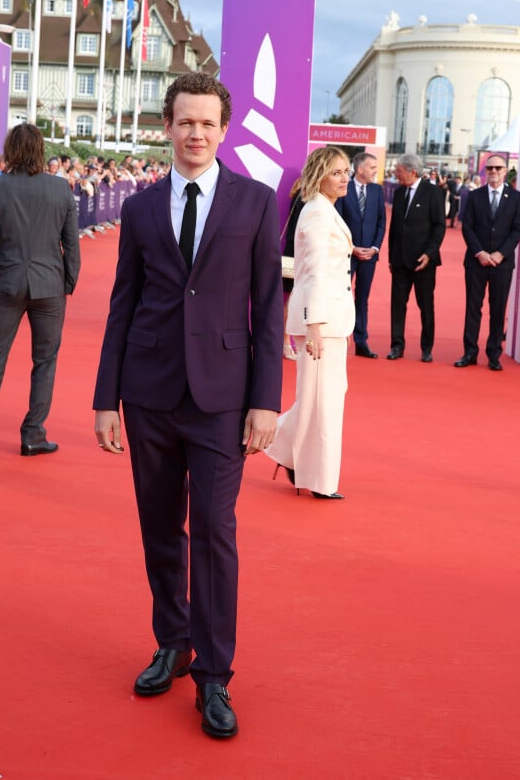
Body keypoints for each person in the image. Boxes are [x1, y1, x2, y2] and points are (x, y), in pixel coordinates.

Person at [92, 72, 283, 739]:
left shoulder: (257, 203)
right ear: (167, 127)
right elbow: (122, 305)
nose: (196, 133)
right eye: (185, 122)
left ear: (224, 129)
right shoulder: (142, 209)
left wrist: (265, 401)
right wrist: (105, 398)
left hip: (223, 399)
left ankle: (215, 676)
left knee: (214, 528)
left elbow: (268, 304)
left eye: (207, 122)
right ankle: (172, 640)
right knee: (157, 525)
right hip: (148, 392)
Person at [0, 123, 80, 456]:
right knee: (45, 361)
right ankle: (33, 435)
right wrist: (67, 282)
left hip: (6, 283)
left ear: (11, 150)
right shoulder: (60, 189)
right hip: (50, 287)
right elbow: (71, 245)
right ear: (41, 150)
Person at [264, 145, 355, 499]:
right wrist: (315, 324)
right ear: (320, 175)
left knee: (325, 398)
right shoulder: (317, 214)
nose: (344, 177)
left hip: (331, 320)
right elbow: (314, 272)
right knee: (323, 401)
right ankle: (316, 478)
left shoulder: (325, 210)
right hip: (321, 320)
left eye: (346, 171)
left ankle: (290, 453)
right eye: (337, 172)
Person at [454, 154, 520, 371]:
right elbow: (467, 226)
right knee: (473, 308)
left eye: (498, 168)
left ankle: (494, 354)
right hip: (476, 262)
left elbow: (517, 229)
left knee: (498, 308)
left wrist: (500, 254)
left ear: (505, 171)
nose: (493, 172)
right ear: (485, 172)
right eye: (490, 168)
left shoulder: (516, 197)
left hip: (502, 264)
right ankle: (470, 352)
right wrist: (480, 253)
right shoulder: (474, 196)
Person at [387, 153, 446, 363]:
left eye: (399, 170)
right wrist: (391, 257)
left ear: (412, 171)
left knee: (426, 306)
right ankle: (396, 346)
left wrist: (429, 254)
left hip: (424, 262)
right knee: (397, 305)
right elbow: (394, 227)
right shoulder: (398, 192)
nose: (395, 174)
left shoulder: (433, 192)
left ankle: (427, 348)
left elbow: (440, 226)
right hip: (400, 260)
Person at [336, 151, 386, 358]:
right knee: (340, 296)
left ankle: (361, 341)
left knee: (362, 298)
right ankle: (338, 337)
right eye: (372, 167)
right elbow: (337, 220)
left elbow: (381, 221)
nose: (376, 171)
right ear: (360, 169)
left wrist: (375, 247)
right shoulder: (343, 188)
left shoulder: (376, 190)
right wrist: (352, 247)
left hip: (369, 255)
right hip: (347, 254)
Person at [281, 177, 304, 359]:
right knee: (292, 299)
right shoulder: (305, 195)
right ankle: (285, 342)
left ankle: (287, 342)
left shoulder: (302, 193)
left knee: (294, 298)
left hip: (299, 251)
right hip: (298, 252)